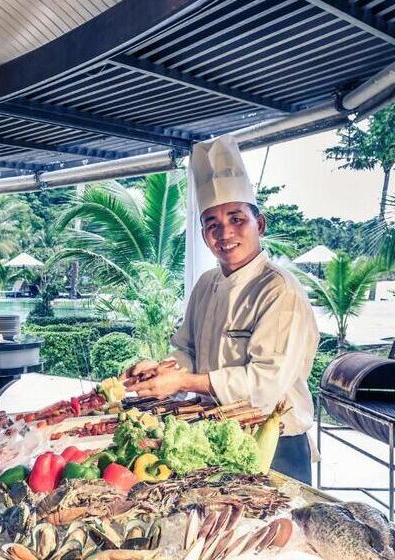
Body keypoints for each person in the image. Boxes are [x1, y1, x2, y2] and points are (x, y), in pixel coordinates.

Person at [122, 136, 319, 484]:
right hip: (218, 437)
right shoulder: (206, 284)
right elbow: (188, 351)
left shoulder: (279, 290)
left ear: (260, 224)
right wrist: (162, 370)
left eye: (236, 218)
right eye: (212, 223)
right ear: (203, 233)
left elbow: (264, 386)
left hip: (275, 443)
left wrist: (182, 381)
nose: (224, 233)